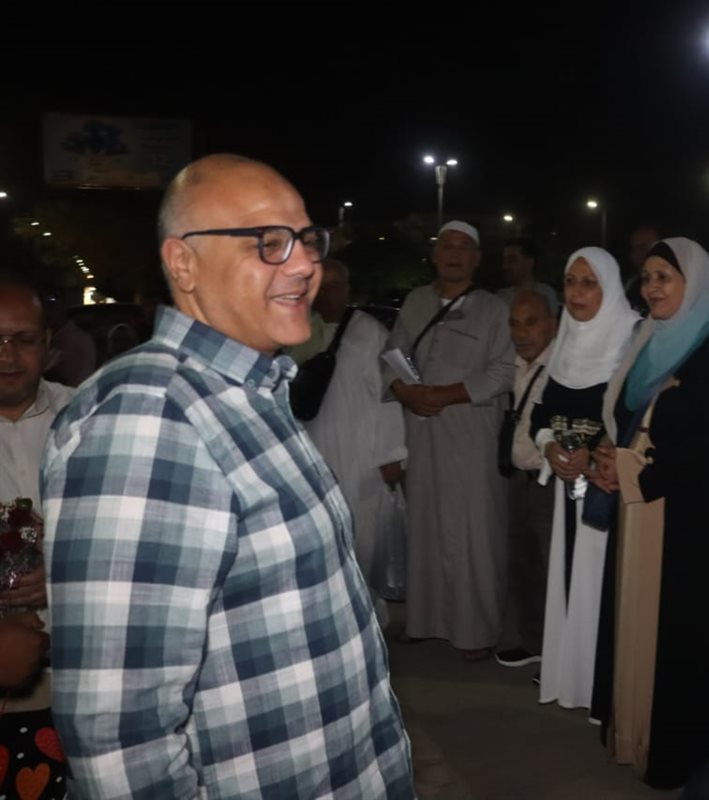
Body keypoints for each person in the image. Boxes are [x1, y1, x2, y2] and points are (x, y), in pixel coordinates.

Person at [42, 154, 414, 798]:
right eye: (267, 242)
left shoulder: (249, 393)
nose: (304, 264)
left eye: (307, 239)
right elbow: (121, 741)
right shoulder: (151, 416)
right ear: (183, 263)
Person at [595, 237, 709, 788]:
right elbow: (625, 416)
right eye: (647, 277)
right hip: (639, 506)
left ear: (695, 282)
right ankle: (632, 735)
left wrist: (639, 473)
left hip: (688, 520)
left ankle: (671, 753)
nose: (652, 288)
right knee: (635, 621)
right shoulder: (646, 339)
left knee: (674, 636)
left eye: (664, 276)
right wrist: (608, 455)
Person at [383, 220, 514, 660]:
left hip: (472, 435)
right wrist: (404, 391)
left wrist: (447, 394)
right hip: (422, 433)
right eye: (447, 245)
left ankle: (476, 631)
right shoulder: (416, 301)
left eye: (464, 247)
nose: (454, 253)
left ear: (477, 258)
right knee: (425, 526)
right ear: (435, 253)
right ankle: (424, 621)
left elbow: (505, 370)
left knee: (474, 531)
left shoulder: (494, 308)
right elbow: (392, 356)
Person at [531, 247, 639, 710]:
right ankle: (572, 680)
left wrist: (594, 452)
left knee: (601, 585)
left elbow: (633, 414)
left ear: (609, 288)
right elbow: (540, 414)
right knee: (572, 582)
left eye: (589, 283)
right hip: (567, 484)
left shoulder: (631, 339)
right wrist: (549, 447)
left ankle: (601, 689)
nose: (576, 293)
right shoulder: (566, 341)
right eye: (570, 282)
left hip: (607, 486)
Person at [302, 259, 408, 625]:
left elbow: (388, 394)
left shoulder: (369, 332)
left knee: (362, 537)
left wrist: (392, 454)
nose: (327, 293)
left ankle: (367, 616)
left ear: (348, 290)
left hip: (360, 452)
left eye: (335, 285)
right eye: (321, 286)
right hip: (313, 452)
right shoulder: (300, 330)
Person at [0, 280, 72, 799]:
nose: (7, 356)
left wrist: (64, 575)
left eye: (23, 340)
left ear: (48, 345)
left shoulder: (89, 416)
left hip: (80, 671)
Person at [495, 289, 558, 670]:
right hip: (520, 479)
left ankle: (560, 660)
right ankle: (535, 642)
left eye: (531, 322)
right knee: (526, 568)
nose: (521, 332)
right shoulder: (520, 364)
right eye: (515, 324)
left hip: (548, 481)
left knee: (553, 570)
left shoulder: (562, 367)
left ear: (552, 324)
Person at [497, 236, 560, 316]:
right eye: (504, 261)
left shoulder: (546, 293)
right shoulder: (501, 297)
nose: (505, 266)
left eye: (512, 260)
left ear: (529, 262)